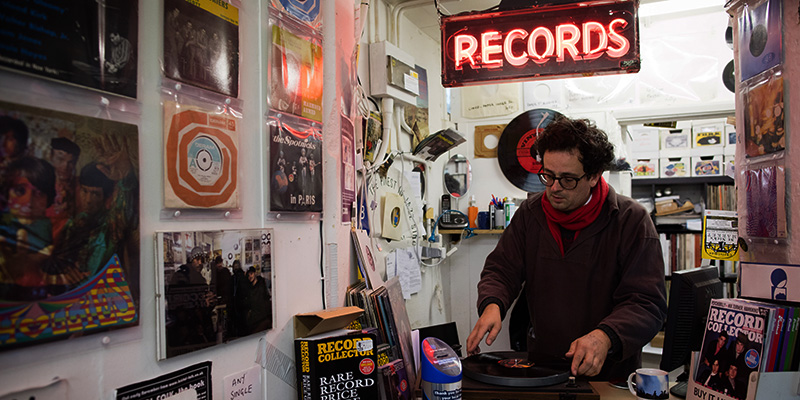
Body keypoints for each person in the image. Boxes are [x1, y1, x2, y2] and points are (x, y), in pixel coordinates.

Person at [465, 116, 667, 381]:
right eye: (548, 175)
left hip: (607, 376)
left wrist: (606, 336)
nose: (554, 188)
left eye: (568, 179)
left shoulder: (631, 221)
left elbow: (646, 303)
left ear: (594, 176)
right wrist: (493, 303)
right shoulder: (530, 214)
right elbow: (501, 269)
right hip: (541, 371)